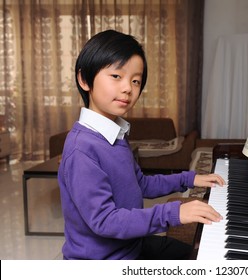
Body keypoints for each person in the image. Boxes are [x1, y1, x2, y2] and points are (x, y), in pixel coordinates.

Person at [57, 30, 225, 260]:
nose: (128, 88)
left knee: (204, 258)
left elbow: (140, 184)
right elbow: (106, 221)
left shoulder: (116, 135)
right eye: (116, 76)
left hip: (131, 246)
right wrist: (173, 212)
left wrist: (189, 178)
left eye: (135, 80)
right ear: (84, 79)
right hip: (104, 262)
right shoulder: (81, 149)